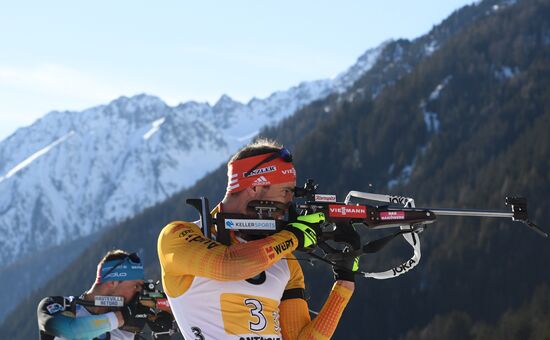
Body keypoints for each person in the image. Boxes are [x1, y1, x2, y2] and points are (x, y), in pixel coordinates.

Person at [158, 139, 359, 339]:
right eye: (286, 191)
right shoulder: (178, 235)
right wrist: (294, 236)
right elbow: (229, 265)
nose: (290, 202)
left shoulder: (285, 259)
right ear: (255, 187)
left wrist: (345, 280)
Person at [37, 250, 152, 339]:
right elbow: (72, 332)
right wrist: (122, 316)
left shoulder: (127, 327)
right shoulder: (61, 305)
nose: (139, 292)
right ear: (113, 282)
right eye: (136, 286)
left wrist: (162, 333)